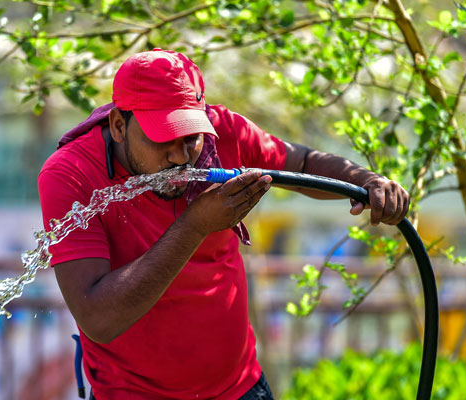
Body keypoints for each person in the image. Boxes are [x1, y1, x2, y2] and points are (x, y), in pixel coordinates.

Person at [38, 49, 409, 400]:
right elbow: (98, 317)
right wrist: (195, 225)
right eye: (164, 136)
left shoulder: (225, 133)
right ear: (119, 125)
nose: (181, 156)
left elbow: (303, 164)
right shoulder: (71, 174)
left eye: (191, 137)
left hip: (240, 387)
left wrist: (367, 180)